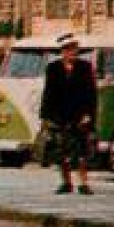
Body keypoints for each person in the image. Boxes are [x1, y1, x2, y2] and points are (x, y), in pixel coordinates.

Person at [39, 33, 98, 195]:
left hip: (80, 116)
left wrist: (89, 114)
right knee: (62, 153)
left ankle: (83, 183)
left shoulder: (85, 67)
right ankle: (66, 182)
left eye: (74, 49)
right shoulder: (53, 68)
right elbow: (48, 93)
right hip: (59, 116)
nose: (72, 52)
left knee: (81, 153)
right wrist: (45, 116)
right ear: (62, 51)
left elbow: (91, 93)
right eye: (69, 49)